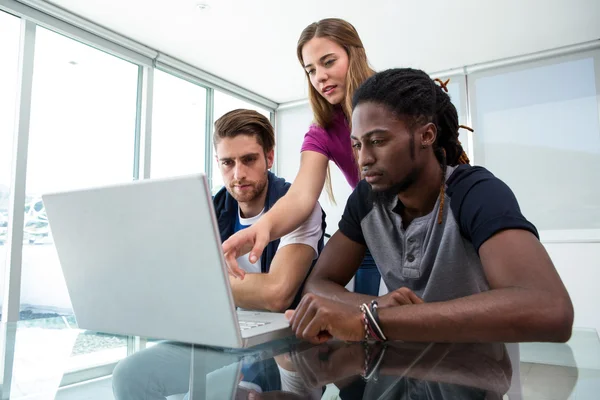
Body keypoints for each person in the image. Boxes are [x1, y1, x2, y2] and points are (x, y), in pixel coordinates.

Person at [285, 68, 574, 345]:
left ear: (426, 135)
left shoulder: (476, 192)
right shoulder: (366, 199)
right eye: (358, 145)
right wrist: (375, 306)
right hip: (398, 374)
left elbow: (551, 309)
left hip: (474, 381)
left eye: (377, 141)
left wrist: (371, 320)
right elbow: (318, 284)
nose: (363, 160)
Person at [112, 109, 325, 399]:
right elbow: (177, 284)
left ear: (269, 157)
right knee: (129, 375)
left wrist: (203, 281)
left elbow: (277, 294)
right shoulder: (210, 209)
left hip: (286, 344)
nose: (238, 174)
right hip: (224, 336)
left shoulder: (298, 207)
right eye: (228, 163)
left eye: (249, 160)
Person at [222, 18, 382, 295]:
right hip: (374, 231)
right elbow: (300, 196)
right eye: (310, 70)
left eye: (328, 62)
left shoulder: (396, 101)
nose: (319, 76)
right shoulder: (322, 130)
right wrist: (264, 228)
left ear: (354, 55)